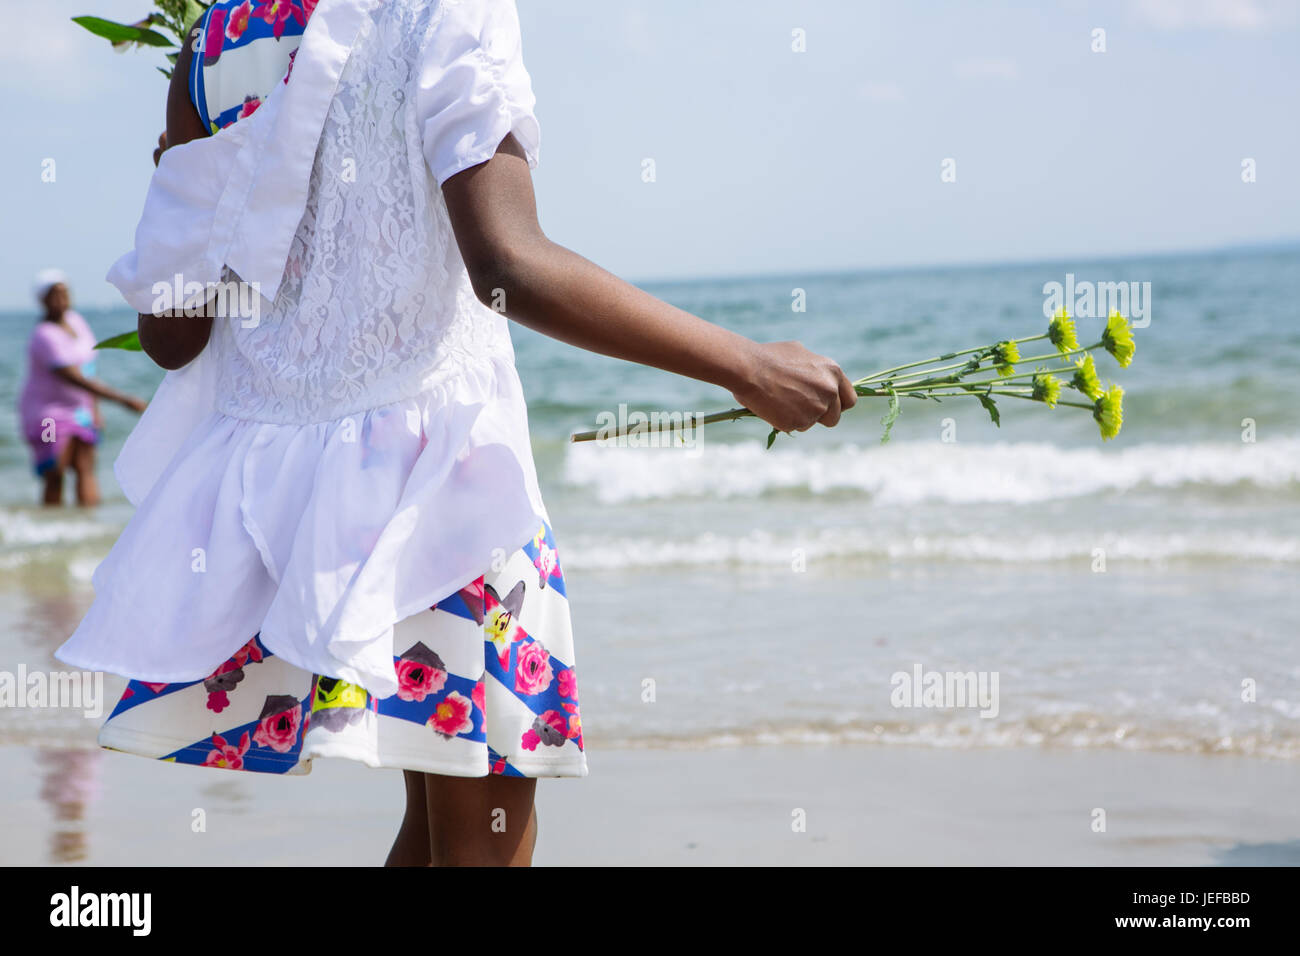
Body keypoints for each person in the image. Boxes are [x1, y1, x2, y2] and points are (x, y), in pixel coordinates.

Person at [55, 0, 855, 867]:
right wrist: (744, 362)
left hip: (305, 499)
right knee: (481, 839)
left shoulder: (210, 44)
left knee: (437, 833)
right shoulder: (447, 8)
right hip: (449, 488)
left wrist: (186, 167)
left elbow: (174, 338)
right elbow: (506, 266)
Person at [17, 271, 147, 506]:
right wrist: (123, 399)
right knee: (55, 467)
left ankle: (89, 523)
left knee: (85, 465)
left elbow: (88, 369)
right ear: (42, 301)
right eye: (53, 296)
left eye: (63, 294)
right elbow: (74, 378)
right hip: (49, 414)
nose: (60, 300)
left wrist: (94, 409)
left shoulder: (76, 321)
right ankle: (51, 526)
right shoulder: (44, 335)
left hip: (80, 410)